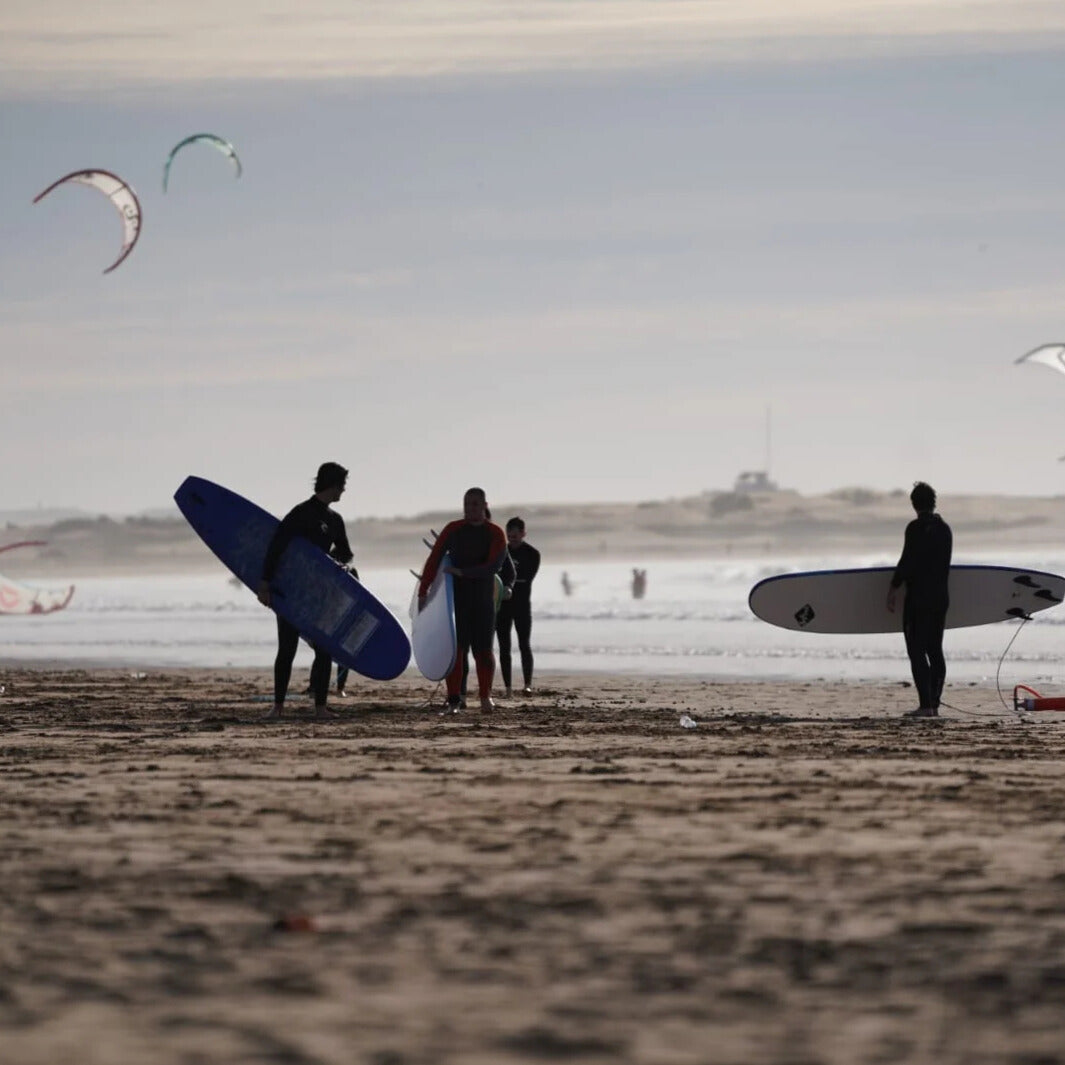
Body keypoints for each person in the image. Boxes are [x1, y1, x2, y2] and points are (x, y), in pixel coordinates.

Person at [258, 462, 355, 720]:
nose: (343, 491)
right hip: (291, 590)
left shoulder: (335, 520)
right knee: (287, 648)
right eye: (342, 486)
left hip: (319, 594)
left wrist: (336, 563)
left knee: (323, 649)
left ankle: (320, 708)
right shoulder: (300, 514)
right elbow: (276, 547)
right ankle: (277, 707)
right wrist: (265, 584)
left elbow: (346, 553)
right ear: (332, 485)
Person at [418, 487, 507, 712]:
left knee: (484, 652)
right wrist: (423, 591)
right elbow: (434, 560)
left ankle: (485, 698)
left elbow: (492, 567)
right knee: (456, 652)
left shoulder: (495, 533)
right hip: (455, 602)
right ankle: (455, 700)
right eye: (467, 504)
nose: (470, 509)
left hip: (483, 601)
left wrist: (462, 572)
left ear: (485, 506)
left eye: (475, 504)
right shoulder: (453, 529)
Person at [886, 481, 952, 718]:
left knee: (916, 651)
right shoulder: (945, 529)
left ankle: (926, 706)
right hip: (941, 599)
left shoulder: (915, 528)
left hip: (918, 600)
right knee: (935, 650)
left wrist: (893, 590)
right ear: (933, 502)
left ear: (914, 504)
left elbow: (907, 562)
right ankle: (934, 703)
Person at [496, 516, 541, 696]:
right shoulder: (501, 552)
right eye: (509, 535)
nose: (512, 538)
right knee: (504, 646)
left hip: (522, 605)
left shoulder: (532, 554)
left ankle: (527, 684)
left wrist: (510, 583)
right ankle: (507, 687)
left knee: (524, 644)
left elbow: (526, 577)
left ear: (523, 534)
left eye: (515, 535)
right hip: (502, 606)